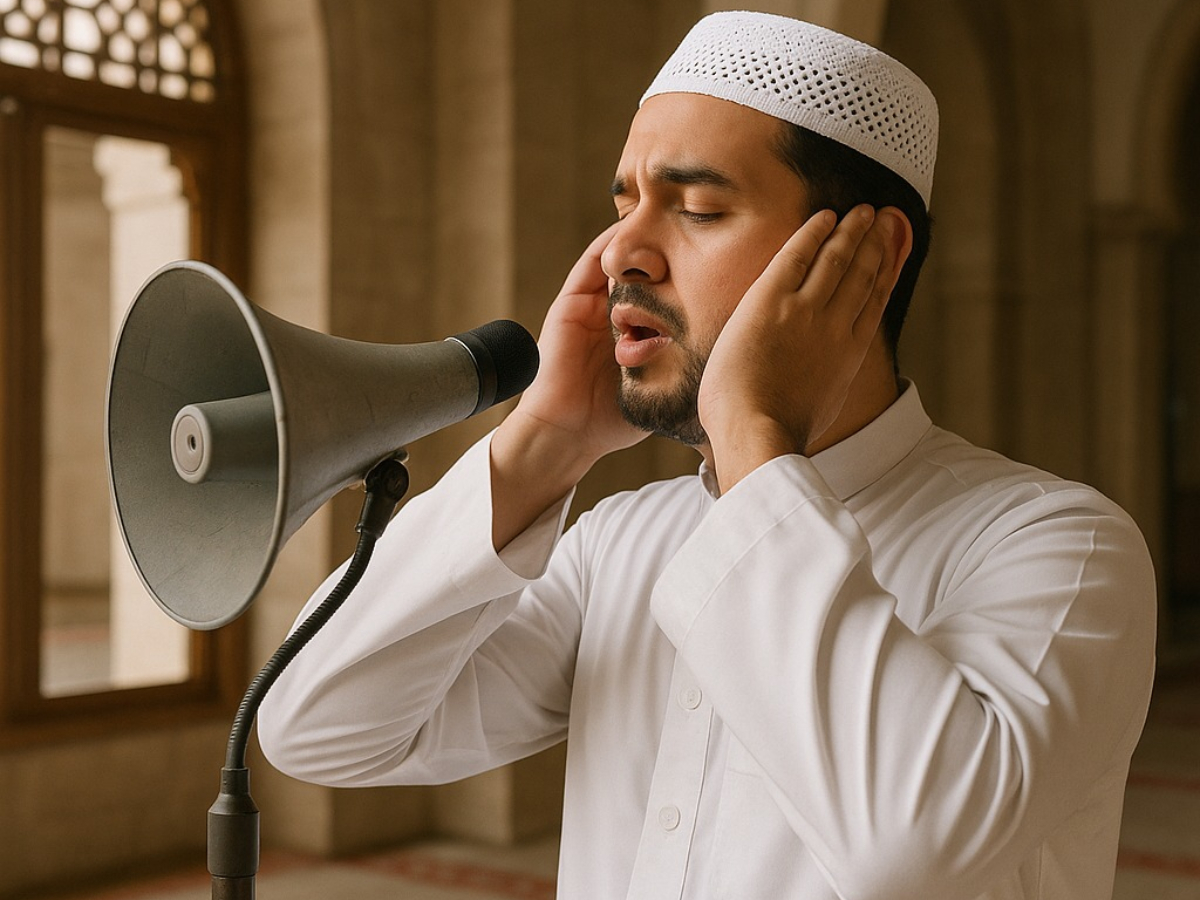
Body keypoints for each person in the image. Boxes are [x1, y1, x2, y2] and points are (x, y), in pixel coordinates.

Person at [258, 12, 1156, 900]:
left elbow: (907, 849)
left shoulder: (1060, 550)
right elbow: (314, 727)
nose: (621, 253)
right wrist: (542, 446)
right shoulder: (620, 545)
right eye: (624, 205)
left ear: (870, 257)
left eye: (697, 208)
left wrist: (755, 429)